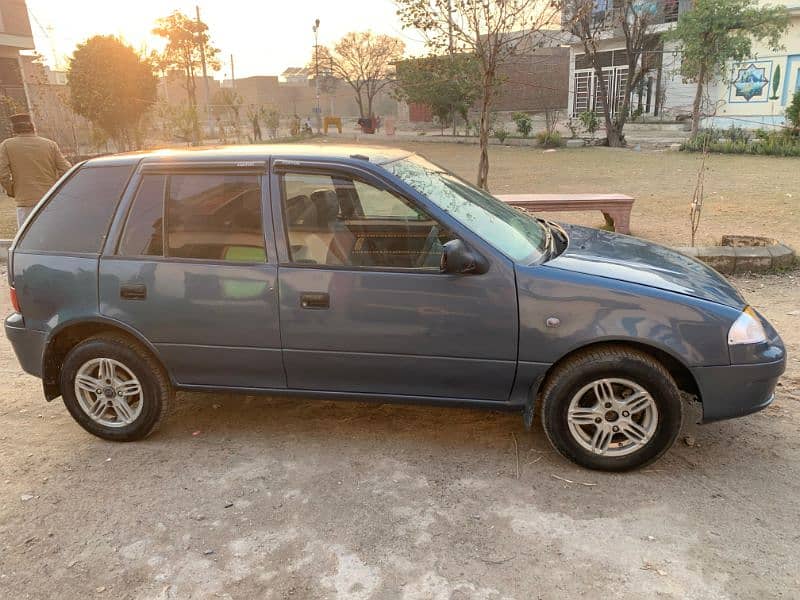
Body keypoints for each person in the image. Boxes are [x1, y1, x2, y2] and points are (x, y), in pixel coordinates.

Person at [0, 113, 71, 228]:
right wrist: (56, 186)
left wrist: (12, 190)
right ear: (33, 127)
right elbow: (66, 169)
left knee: (28, 240)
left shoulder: (7, 145)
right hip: (49, 199)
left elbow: (3, 174)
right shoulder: (50, 144)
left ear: (14, 129)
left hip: (25, 201)